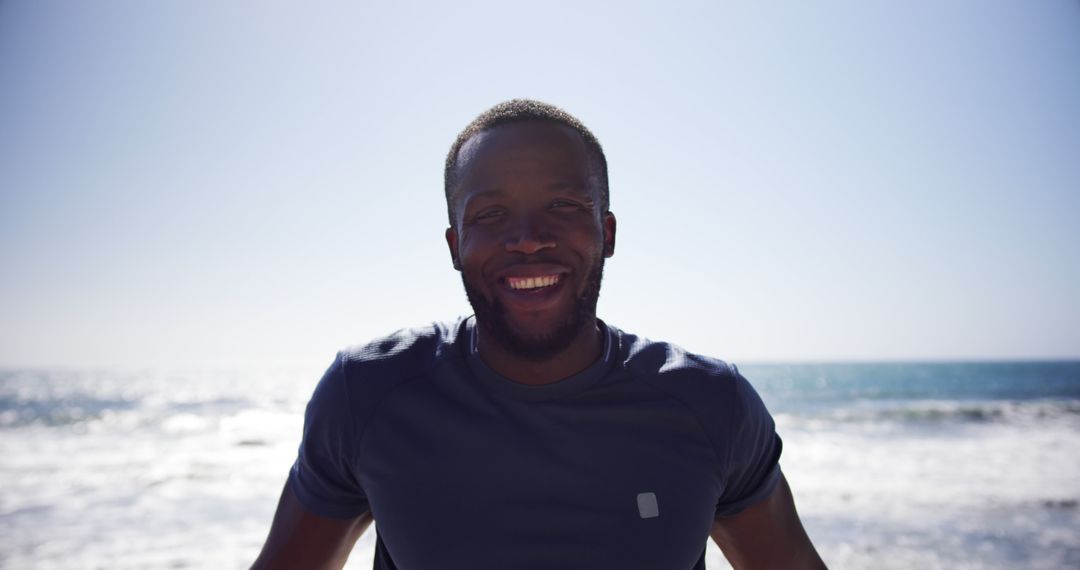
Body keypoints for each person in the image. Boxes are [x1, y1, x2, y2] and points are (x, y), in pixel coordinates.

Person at [252, 99, 826, 569]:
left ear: (607, 232)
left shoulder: (710, 403)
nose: (528, 238)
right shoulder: (367, 394)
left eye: (563, 205)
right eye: (491, 215)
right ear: (455, 246)